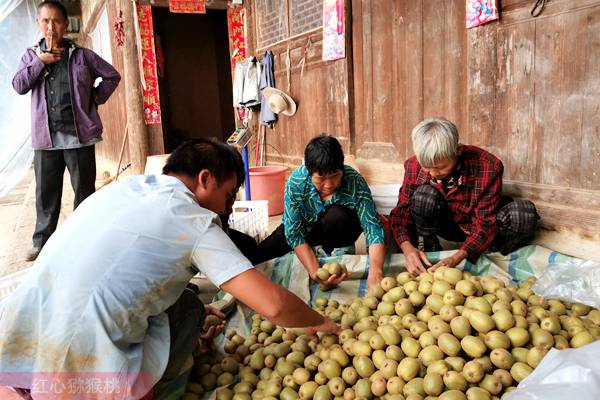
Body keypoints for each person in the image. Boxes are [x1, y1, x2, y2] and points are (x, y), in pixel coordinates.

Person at [0, 139, 339, 399]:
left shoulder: (128, 187)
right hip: (81, 371)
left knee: (187, 300)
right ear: (205, 179)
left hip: (20, 344)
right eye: (229, 193)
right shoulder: (191, 219)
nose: (229, 205)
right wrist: (318, 322)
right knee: (189, 307)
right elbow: (274, 305)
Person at [12, 0, 121, 261]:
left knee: (84, 194)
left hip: (78, 137)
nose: (51, 26)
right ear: (39, 24)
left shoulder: (82, 55)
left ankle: (85, 241)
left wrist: (94, 98)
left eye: (56, 21)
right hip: (46, 140)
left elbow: (112, 76)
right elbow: (19, 85)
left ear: (65, 24)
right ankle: (42, 244)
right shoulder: (30, 56)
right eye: (45, 21)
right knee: (46, 195)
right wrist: (40, 61)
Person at [389, 117, 539, 275]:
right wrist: (407, 249)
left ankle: (493, 253)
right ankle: (430, 247)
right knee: (424, 196)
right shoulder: (413, 166)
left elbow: (486, 222)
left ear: (457, 151)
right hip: (446, 223)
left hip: (477, 224)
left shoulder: (487, 166)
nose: (433, 174)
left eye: (440, 168)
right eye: (427, 168)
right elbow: (401, 215)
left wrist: (456, 258)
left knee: (524, 214)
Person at [257, 135, 387, 289]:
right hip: (304, 229)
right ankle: (314, 254)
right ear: (309, 172)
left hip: (337, 228)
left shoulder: (354, 181)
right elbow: (294, 234)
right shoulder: (296, 183)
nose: (329, 185)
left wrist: (376, 271)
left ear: (342, 168)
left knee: (338, 215)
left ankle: (333, 253)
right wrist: (315, 272)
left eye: (335, 176)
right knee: (258, 258)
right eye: (321, 178)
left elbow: (373, 228)